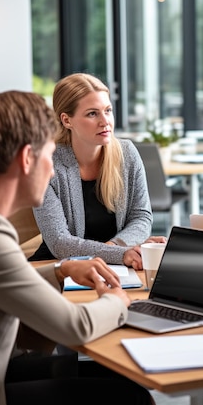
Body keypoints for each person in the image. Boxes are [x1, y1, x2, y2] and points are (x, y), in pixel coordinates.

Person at [0, 90, 154, 405]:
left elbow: (0, 281)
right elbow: (76, 326)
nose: (53, 170)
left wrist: (60, 270)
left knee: (111, 378)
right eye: (49, 156)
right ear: (26, 158)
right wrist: (118, 301)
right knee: (131, 399)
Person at [29, 73, 162, 270]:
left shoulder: (127, 153)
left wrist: (114, 249)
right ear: (66, 120)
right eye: (92, 113)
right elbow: (59, 242)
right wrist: (119, 254)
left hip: (118, 267)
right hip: (59, 269)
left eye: (108, 110)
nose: (105, 121)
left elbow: (141, 217)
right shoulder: (47, 163)